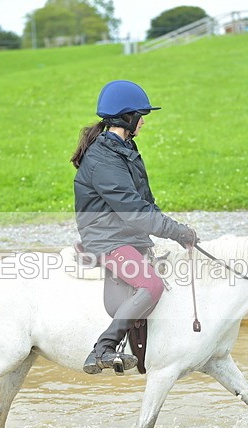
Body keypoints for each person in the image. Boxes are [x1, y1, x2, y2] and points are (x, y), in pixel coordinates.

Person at [71, 80, 198, 375]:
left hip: (127, 233)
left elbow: (145, 202)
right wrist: (176, 231)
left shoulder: (123, 147)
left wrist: (174, 230)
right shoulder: (104, 158)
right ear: (126, 118)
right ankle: (103, 347)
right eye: (140, 115)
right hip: (107, 239)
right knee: (150, 284)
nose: (143, 121)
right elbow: (134, 210)